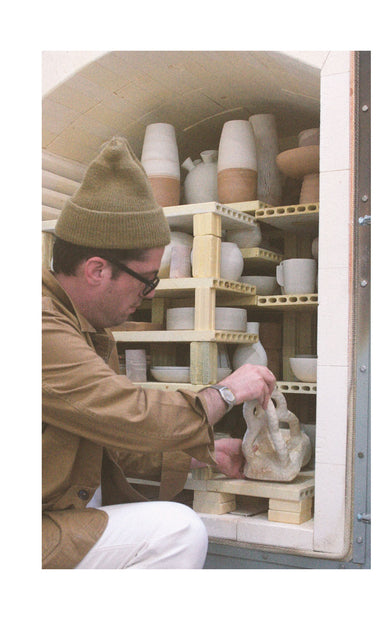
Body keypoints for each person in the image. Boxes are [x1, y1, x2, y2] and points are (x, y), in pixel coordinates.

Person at [42, 136, 276, 569]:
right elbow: (130, 412)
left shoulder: (88, 329)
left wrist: (196, 453)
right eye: (148, 280)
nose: (149, 294)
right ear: (97, 270)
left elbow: (106, 437)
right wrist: (223, 394)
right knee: (177, 530)